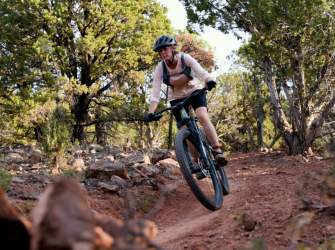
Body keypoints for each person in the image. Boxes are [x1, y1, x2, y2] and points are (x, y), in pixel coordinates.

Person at [144, 35, 226, 166]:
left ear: (172, 48)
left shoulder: (184, 58)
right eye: (160, 51)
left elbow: (201, 72)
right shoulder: (160, 67)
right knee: (184, 128)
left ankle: (217, 151)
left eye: (165, 49)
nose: (163, 53)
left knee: (202, 116)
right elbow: (155, 93)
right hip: (176, 97)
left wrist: (209, 80)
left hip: (194, 91)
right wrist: (151, 112)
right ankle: (197, 162)